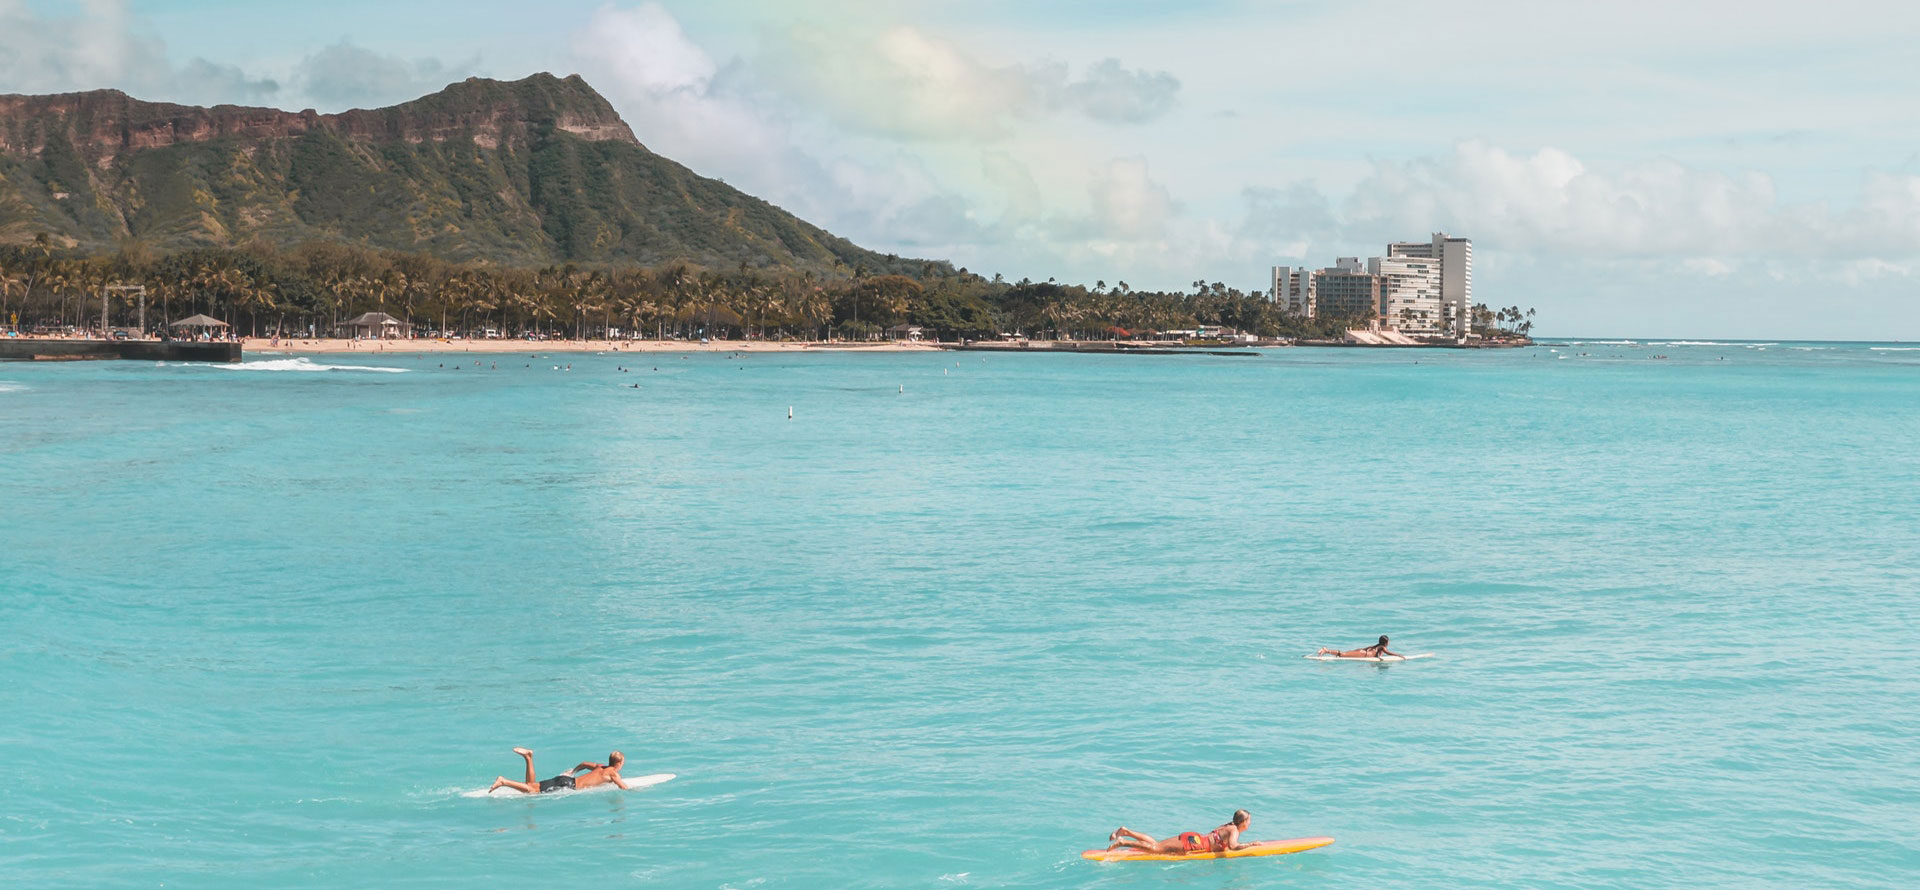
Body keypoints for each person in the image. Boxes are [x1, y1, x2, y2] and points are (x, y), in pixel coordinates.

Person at [487, 747, 631, 794]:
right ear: (618, 763)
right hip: (568, 786)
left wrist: (573, 772)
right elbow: (623, 787)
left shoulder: (601, 767)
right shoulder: (613, 773)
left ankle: (529, 758)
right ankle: (503, 781)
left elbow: (585, 763)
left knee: (531, 785)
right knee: (532, 791)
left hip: (567, 780)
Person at [1107, 809, 1250, 855]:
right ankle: (1123, 842)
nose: (1249, 824)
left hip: (1195, 837)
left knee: (1157, 844)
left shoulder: (1228, 825)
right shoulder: (1235, 830)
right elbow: (1233, 846)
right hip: (1196, 846)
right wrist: (1252, 844)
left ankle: (1126, 832)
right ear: (1242, 822)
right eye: (1248, 821)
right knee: (1156, 849)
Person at [1315, 635, 1401, 658]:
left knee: (1344, 653)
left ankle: (1326, 650)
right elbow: (1388, 653)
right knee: (1342, 655)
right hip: (1363, 655)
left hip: (1361, 651)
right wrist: (1399, 655)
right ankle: (1326, 650)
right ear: (1386, 642)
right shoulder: (1382, 647)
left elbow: (1367, 649)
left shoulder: (1377, 646)